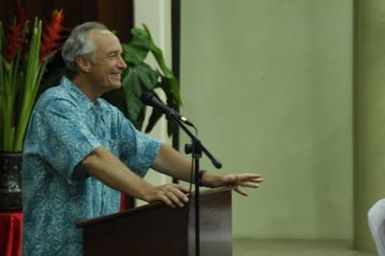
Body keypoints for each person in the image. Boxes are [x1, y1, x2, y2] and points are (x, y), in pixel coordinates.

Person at [22, 21, 263, 256]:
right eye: (113, 56)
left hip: (100, 245)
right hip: (58, 248)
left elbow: (151, 150)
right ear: (84, 63)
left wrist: (209, 179)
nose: (123, 64)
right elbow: (92, 158)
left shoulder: (106, 112)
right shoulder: (56, 104)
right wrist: (149, 192)